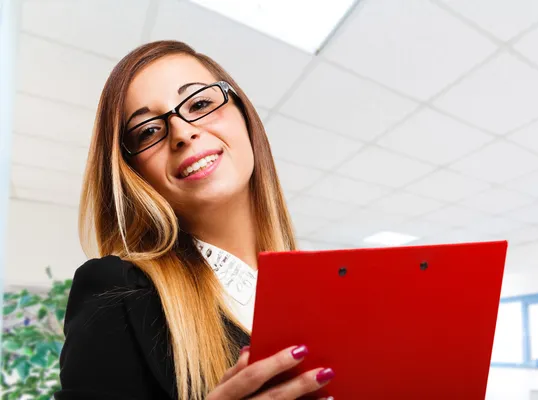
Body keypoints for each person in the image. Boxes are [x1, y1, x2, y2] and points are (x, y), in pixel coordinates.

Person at [55, 40, 335, 400]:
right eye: (148, 131)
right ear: (134, 174)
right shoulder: (117, 290)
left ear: (244, 115)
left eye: (200, 104)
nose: (183, 132)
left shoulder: (318, 287)